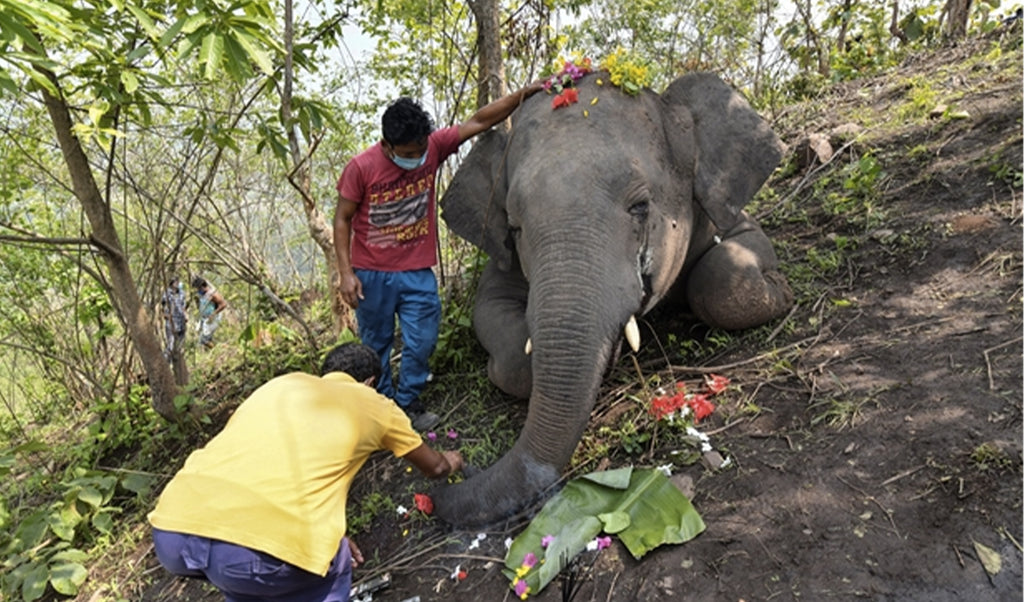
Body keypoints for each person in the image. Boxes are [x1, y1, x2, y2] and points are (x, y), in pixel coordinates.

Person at [148, 342, 464, 602]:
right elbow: (435, 467)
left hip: (174, 529)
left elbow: (269, 466)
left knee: (246, 583)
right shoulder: (374, 403)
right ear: (369, 382)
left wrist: (331, 532)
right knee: (333, 565)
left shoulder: (282, 385)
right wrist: (452, 460)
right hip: (252, 550)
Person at [334, 81, 544, 431]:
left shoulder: (431, 148)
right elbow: (342, 218)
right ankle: (384, 407)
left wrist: (525, 94)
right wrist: (345, 273)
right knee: (376, 343)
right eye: (408, 152)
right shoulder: (361, 168)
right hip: (371, 273)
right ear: (387, 144)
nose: (416, 158)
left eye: (419, 150)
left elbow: (478, 121)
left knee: (423, 339)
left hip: (416, 270)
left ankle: (408, 401)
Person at [192, 276, 226, 349]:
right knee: (206, 339)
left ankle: (218, 348)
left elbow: (223, 304)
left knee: (204, 340)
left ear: (202, 287)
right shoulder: (201, 295)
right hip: (204, 318)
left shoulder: (212, 294)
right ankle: (217, 349)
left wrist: (214, 314)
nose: (197, 290)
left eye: (198, 288)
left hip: (213, 318)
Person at [161, 276, 187, 362]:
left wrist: (186, 315)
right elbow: (163, 306)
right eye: (175, 282)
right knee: (171, 344)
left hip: (181, 320)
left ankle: (174, 363)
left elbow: (183, 306)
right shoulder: (167, 293)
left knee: (180, 344)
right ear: (172, 283)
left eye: (178, 282)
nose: (177, 283)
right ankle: (165, 362)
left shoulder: (182, 293)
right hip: (171, 321)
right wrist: (166, 315)